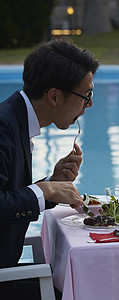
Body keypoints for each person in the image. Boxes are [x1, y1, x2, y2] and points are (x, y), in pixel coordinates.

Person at [0, 38, 99, 299]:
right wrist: (44, 190)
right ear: (54, 96)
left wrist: (53, 183)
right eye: (86, 96)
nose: (89, 105)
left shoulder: (16, 121)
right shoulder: (3, 127)